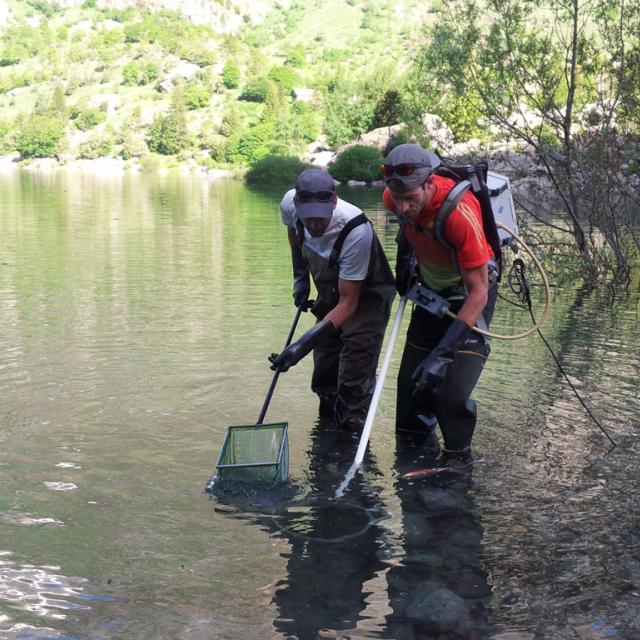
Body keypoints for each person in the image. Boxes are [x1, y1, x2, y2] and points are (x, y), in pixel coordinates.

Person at [381, 143, 498, 460]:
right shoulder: (393, 197)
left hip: (469, 299)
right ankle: (411, 467)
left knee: (450, 397)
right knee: (410, 392)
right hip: (431, 296)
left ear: (430, 182)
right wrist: (403, 265)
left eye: (411, 198)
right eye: (399, 199)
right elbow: (407, 229)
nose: (403, 207)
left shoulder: (459, 212)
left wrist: (442, 355)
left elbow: (479, 293)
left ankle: (458, 465)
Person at [269, 168, 395, 430]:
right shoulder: (289, 205)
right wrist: (300, 277)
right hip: (330, 293)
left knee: (353, 379)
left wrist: (299, 347)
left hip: (365, 299)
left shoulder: (356, 230)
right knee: (325, 371)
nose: (314, 225)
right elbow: (294, 236)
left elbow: (349, 303)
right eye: (308, 218)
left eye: (321, 218)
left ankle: (351, 438)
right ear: (296, 204)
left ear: (334, 202)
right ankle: (324, 442)